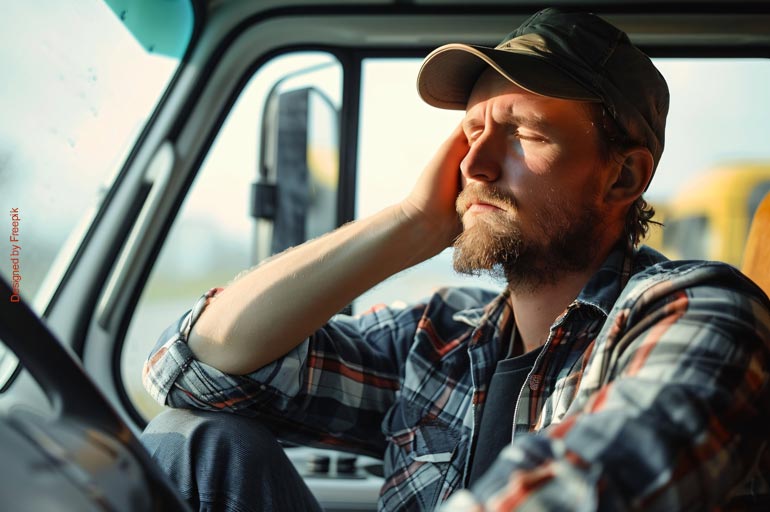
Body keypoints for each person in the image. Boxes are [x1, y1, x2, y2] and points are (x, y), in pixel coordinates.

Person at [141, 8, 770, 511]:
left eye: (524, 133)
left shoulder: (696, 309)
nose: (474, 164)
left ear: (623, 175)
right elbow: (192, 370)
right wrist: (409, 224)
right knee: (199, 443)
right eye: (471, 132)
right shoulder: (437, 339)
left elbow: (593, 482)